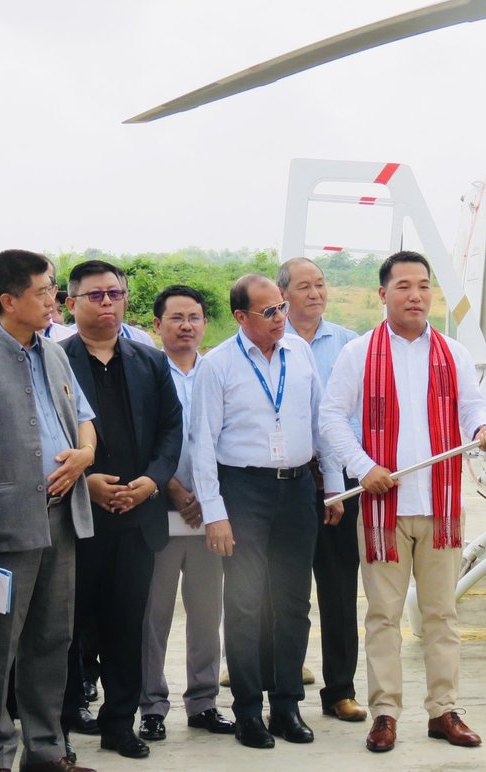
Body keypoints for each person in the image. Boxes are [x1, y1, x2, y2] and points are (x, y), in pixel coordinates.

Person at [320, 250, 486, 753]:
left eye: (423, 285)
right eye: (403, 286)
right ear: (383, 294)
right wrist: (363, 467)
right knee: (383, 617)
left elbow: (472, 406)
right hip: (383, 511)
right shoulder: (359, 353)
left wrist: (483, 429)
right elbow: (331, 417)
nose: (416, 295)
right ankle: (384, 714)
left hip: (440, 506)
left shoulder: (453, 352)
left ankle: (443, 711)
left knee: (441, 615)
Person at [0, 250, 98, 772]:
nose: (54, 298)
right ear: (9, 301)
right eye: (44, 290)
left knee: (52, 641)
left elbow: (83, 418)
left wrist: (85, 454)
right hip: (3, 525)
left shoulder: (54, 353)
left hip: (60, 517)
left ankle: (46, 752)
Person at [189, 274, 343, 749]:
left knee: (294, 602)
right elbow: (202, 443)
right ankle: (248, 711)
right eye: (269, 311)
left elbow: (320, 422)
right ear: (241, 317)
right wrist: (215, 513)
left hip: (297, 488)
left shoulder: (299, 353)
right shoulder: (217, 365)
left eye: (281, 308)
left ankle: (287, 705)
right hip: (244, 490)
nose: (280, 318)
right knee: (245, 603)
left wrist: (333, 486)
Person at [61, 261, 183, 761]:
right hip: (76, 517)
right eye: (95, 295)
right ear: (71, 303)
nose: (107, 302)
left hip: (137, 516)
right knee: (66, 629)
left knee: (126, 626)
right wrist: (84, 483)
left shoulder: (148, 360)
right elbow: (44, 432)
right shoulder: (55, 360)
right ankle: (60, 726)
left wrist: (152, 481)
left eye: (115, 293)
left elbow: (171, 428)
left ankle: (119, 724)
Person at [136, 286, 234, 743]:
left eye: (194, 317)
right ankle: (152, 705)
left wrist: (208, 499)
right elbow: (140, 439)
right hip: (162, 510)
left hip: (210, 514)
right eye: (176, 318)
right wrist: (173, 488)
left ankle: (203, 702)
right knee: (153, 615)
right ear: (157, 325)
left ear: (205, 323)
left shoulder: (218, 371)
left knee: (206, 614)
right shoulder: (146, 373)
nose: (186, 326)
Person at [276, 258, 365, 723]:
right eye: (304, 286)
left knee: (338, 589)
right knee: (285, 592)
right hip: (286, 480)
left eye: (321, 285)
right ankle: (284, 690)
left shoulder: (350, 343)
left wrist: (348, 472)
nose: (315, 294)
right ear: (282, 295)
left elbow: (358, 414)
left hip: (340, 482)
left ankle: (340, 691)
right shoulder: (271, 341)